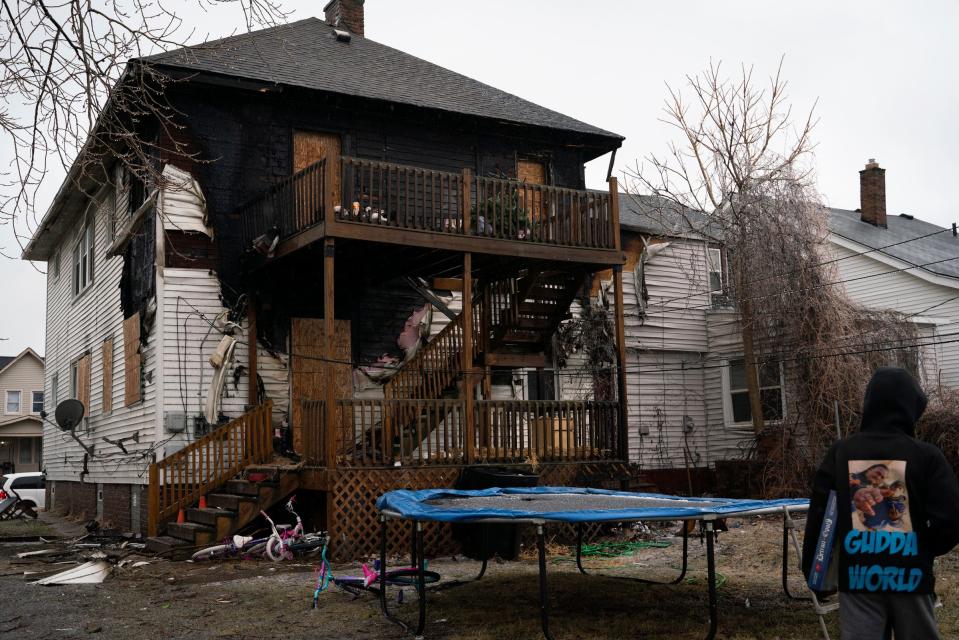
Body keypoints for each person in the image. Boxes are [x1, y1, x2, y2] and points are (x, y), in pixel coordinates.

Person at [802, 367, 959, 639]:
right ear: (912, 408)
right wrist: (923, 550)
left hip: (858, 579)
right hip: (910, 579)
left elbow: (819, 514)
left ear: (870, 404)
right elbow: (953, 518)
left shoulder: (841, 452)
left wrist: (814, 571)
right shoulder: (926, 455)